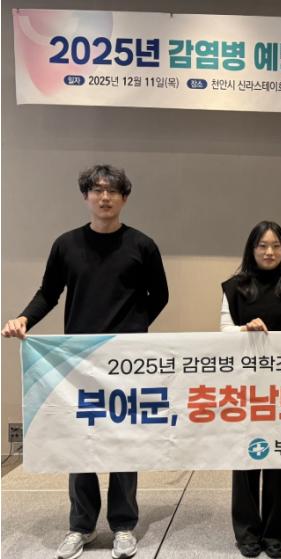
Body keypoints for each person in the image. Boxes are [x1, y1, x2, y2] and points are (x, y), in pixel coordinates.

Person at [2, 165, 169, 559]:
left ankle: (123, 525)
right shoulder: (66, 245)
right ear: (86, 196)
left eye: (112, 191)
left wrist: (131, 330)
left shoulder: (142, 245)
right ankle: (81, 525)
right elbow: (49, 292)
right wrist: (24, 318)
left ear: (124, 197)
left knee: (123, 441)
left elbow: (159, 295)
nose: (104, 197)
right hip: (76, 361)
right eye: (96, 190)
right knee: (80, 442)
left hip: (125, 360)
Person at [220, 221, 281, 559]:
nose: (269, 252)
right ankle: (247, 532)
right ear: (251, 249)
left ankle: (276, 533)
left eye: (276, 246)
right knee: (246, 457)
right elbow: (223, 331)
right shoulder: (233, 287)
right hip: (246, 386)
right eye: (262, 246)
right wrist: (244, 329)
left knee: (280, 456)